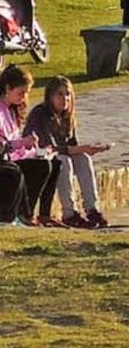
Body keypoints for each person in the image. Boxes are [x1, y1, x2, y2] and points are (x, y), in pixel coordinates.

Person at [26, 76, 109, 229]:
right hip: (38, 159)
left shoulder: (66, 116)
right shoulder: (40, 115)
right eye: (59, 94)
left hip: (59, 155)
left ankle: (92, 209)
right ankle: (69, 213)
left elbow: (72, 146)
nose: (64, 98)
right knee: (63, 161)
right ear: (50, 96)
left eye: (67, 94)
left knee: (83, 158)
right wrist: (79, 149)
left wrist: (89, 149)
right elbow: (48, 148)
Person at [0, 65, 55, 227]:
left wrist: (33, 150)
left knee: (53, 164)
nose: (23, 97)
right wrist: (22, 143)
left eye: (26, 93)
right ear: (8, 88)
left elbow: (15, 143)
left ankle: (41, 213)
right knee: (16, 172)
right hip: (5, 158)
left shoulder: (11, 111)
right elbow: (5, 145)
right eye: (20, 92)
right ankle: (18, 214)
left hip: (11, 157)